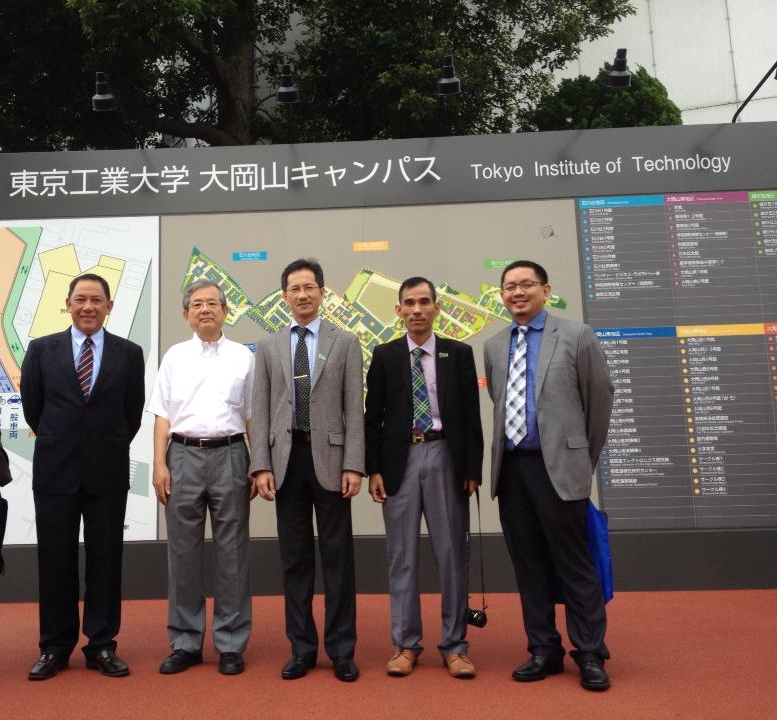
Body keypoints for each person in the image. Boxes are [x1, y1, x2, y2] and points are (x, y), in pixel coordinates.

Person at [483, 260, 614, 692]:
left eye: (526, 284)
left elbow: (599, 401)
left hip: (560, 468)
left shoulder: (577, 336)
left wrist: (581, 458)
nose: (518, 292)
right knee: (529, 566)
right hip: (512, 471)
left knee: (575, 563)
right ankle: (543, 649)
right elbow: (500, 403)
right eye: (509, 286)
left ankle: (590, 652)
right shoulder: (494, 345)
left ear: (546, 290)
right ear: (502, 295)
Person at [20, 273, 145, 680]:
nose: (88, 307)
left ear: (110, 306)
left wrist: (103, 443)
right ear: (68, 304)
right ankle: (54, 647)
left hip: (107, 469)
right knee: (55, 559)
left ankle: (102, 644)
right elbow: (33, 409)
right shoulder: (42, 350)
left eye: (96, 300)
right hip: (55, 469)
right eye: (80, 299)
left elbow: (132, 412)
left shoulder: (129, 353)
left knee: (106, 559)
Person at [250, 258, 365, 682]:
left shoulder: (345, 342)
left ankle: (341, 650)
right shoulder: (268, 346)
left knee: (338, 560)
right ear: (284, 296)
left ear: (322, 292)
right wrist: (261, 465)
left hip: (331, 461)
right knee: (295, 560)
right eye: (294, 289)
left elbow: (354, 407)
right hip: (286, 462)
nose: (302, 294)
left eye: (309, 287)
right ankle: (301, 648)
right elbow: (261, 408)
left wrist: (354, 463)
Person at [365, 277, 483, 679]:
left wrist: (471, 469)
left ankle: (455, 646)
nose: (417, 310)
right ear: (398, 310)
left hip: (445, 454)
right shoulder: (384, 355)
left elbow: (471, 416)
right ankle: (405, 644)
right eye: (409, 303)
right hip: (399, 462)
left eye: (424, 302)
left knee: (452, 556)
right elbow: (373, 418)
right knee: (402, 557)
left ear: (436, 308)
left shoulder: (459, 353)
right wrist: (374, 469)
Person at [147, 280, 256, 676]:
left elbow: (251, 415)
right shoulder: (175, 356)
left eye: (212, 303)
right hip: (182, 456)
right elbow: (162, 414)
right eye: (197, 304)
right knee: (182, 553)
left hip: (231, 454)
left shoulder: (244, 357)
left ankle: (231, 643)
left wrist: (258, 463)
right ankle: (185, 642)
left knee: (233, 552)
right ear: (185, 314)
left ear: (225, 311)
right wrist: (159, 464)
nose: (205, 309)